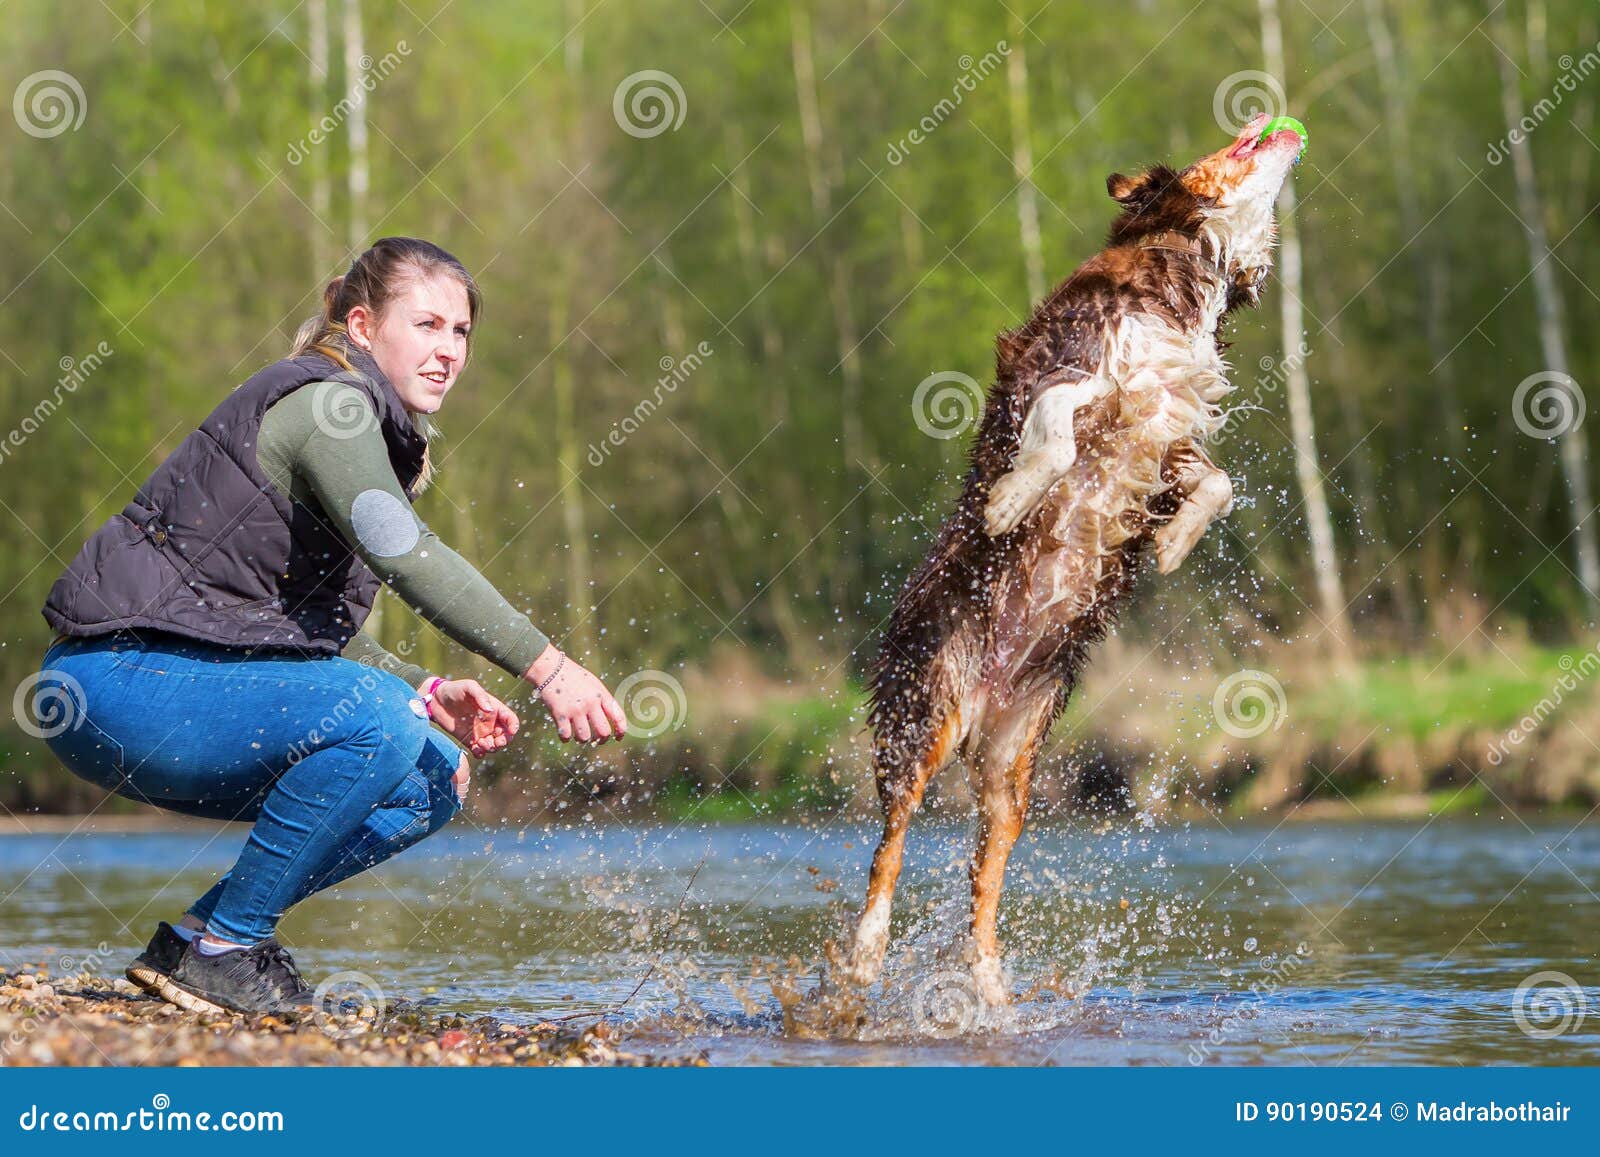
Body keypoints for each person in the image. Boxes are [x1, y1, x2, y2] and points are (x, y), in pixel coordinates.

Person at [34, 236, 627, 1015]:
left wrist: (432, 686)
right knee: (379, 718)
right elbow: (407, 555)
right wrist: (549, 666)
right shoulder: (332, 406)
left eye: (461, 332)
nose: (448, 350)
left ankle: (199, 938)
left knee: (432, 770)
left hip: (183, 688)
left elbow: (299, 631)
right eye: (426, 325)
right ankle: (230, 947)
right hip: (110, 681)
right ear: (359, 324)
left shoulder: (365, 425)